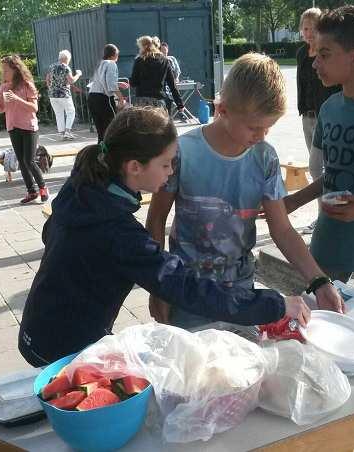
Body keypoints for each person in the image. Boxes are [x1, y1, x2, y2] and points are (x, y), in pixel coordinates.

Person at [18, 107, 310, 367]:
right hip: (63, 347)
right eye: (166, 164)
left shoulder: (85, 187)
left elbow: (50, 233)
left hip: (40, 325)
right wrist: (275, 304)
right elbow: (186, 287)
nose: (171, 172)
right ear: (135, 167)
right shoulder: (119, 232)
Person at [146, 52, 343, 329]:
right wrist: (158, 287)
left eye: (268, 127)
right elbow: (156, 219)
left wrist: (319, 281)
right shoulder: (182, 152)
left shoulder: (265, 158)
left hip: (241, 292)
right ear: (222, 110)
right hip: (187, 290)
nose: (261, 136)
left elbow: (283, 230)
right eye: (254, 127)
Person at [284, 5, 354, 338]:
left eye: (324, 54)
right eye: (313, 54)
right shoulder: (330, 107)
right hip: (329, 241)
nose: (314, 62)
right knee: (318, 323)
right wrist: (290, 203)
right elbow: (331, 174)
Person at [296, 8, 341, 235]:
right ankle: (323, 213)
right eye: (305, 28)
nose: (308, 33)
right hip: (309, 116)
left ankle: (326, 215)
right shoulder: (302, 54)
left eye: (312, 28)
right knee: (316, 167)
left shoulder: (328, 53)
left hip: (328, 117)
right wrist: (301, 107)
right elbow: (301, 83)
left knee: (323, 167)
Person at [0, 55, 49, 204]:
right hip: (13, 127)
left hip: (28, 126)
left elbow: (34, 108)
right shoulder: (4, 87)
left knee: (29, 160)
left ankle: (43, 188)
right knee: (21, 160)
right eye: (3, 70)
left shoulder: (27, 85)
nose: (4, 73)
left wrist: (17, 99)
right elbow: (1, 109)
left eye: (6, 70)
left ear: (16, 69)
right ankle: (31, 192)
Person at [130, 35, 184, 113]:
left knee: (143, 125)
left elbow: (133, 83)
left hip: (143, 102)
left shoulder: (139, 60)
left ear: (143, 47)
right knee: (161, 124)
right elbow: (172, 84)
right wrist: (180, 104)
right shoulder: (164, 61)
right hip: (159, 101)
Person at [88, 44, 128, 143]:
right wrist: (121, 99)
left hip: (92, 96)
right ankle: (111, 153)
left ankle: (100, 152)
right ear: (114, 55)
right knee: (111, 128)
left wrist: (117, 83)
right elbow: (111, 85)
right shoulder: (111, 63)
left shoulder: (100, 63)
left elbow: (100, 81)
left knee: (101, 130)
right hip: (104, 99)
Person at [46, 50, 82, 140]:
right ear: (67, 59)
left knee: (59, 113)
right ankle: (67, 131)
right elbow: (71, 80)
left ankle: (62, 133)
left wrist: (50, 88)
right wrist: (78, 74)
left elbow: (47, 78)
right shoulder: (65, 67)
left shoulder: (51, 66)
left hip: (52, 94)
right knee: (71, 112)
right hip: (64, 94)